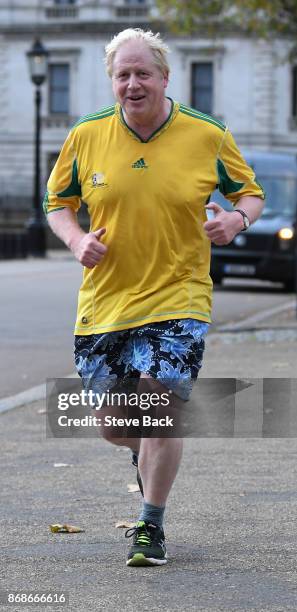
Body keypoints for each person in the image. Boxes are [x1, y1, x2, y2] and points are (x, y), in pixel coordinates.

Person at [44, 28, 265, 567]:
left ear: (165, 78)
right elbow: (57, 203)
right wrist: (77, 240)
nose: (133, 83)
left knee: (159, 405)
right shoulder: (86, 135)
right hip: (107, 300)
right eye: (123, 74)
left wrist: (236, 220)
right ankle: (146, 456)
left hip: (179, 295)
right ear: (112, 82)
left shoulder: (207, 135)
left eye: (144, 73)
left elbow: (250, 193)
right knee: (116, 425)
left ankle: (151, 526)